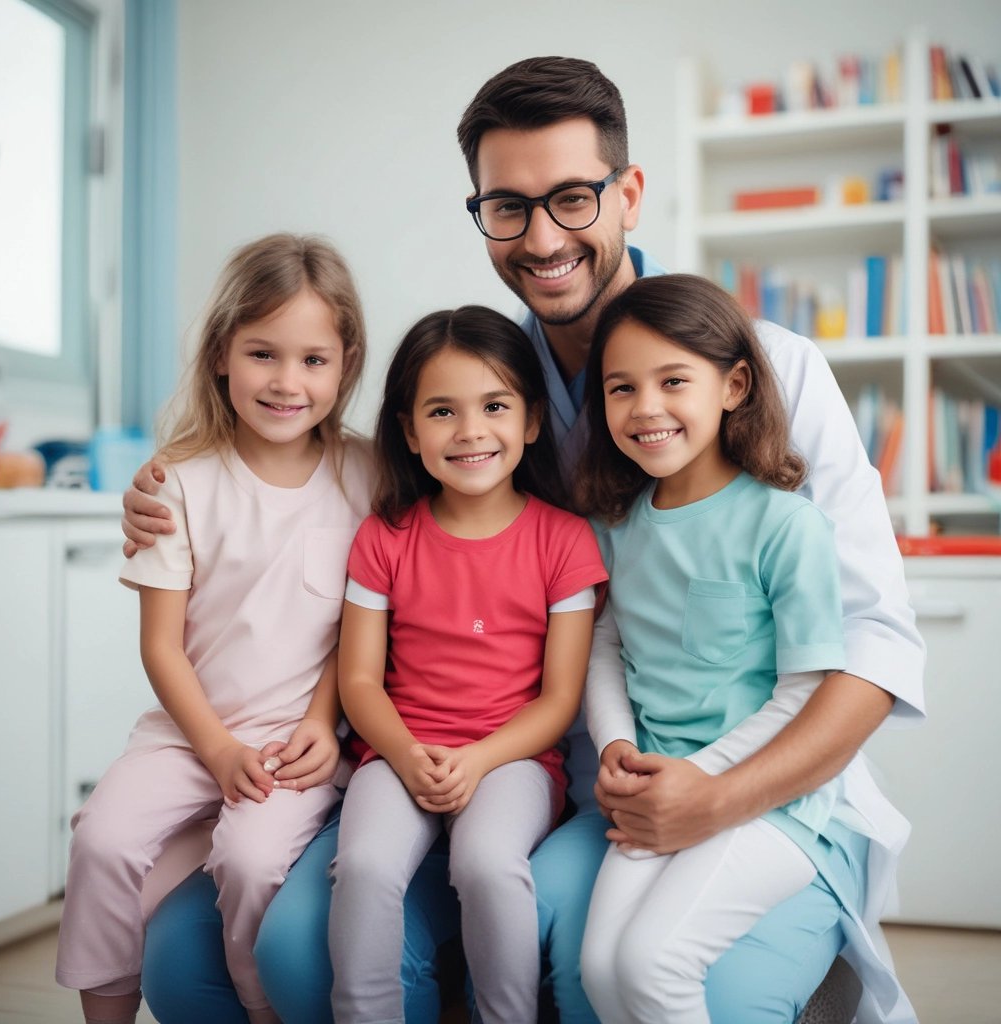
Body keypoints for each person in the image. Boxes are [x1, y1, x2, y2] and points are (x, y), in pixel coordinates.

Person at [125, 57, 925, 1024]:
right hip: (502, 767)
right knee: (234, 955)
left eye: (574, 199)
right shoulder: (481, 392)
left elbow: (872, 643)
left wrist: (718, 798)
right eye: (508, 207)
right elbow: (340, 501)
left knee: (635, 979)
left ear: (629, 192)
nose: (543, 237)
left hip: (736, 781)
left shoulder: (767, 369)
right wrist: (183, 481)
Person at [574, 274, 914, 1024]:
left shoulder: (785, 526)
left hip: (771, 806)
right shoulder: (622, 525)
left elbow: (803, 692)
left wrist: (700, 780)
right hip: (655, 792)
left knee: (651, 960)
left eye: (673, 381)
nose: (646, 407)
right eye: (621, 388)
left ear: (733, 386)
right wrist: (618, 745)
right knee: (600, 966)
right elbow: (606, 642)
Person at [55, 233, 372, 1024]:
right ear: (223, 354)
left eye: (313, 359)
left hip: (297, 737)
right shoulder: (178, 483)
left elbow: (363, 632)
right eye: (263, 354)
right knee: (100, 839)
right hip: (188, 729)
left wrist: (321, 722)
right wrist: (217, 748)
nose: (287, 382)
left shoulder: (371, 475)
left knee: (253, 857)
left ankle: (260, 1009)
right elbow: (160, 646)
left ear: (346, 364)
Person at [329, 306, 607, 1024]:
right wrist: (404, 752)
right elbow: (358, 680)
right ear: (410, 430)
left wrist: (479, 760)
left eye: (494, 406)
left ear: (533, 420)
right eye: (443, 412)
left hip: (513, 759)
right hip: (397, 751)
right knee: (361, 866)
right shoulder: (384, 538)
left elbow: (559, 699)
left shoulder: (566, 541)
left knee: (485, 864)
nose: (471, 431)